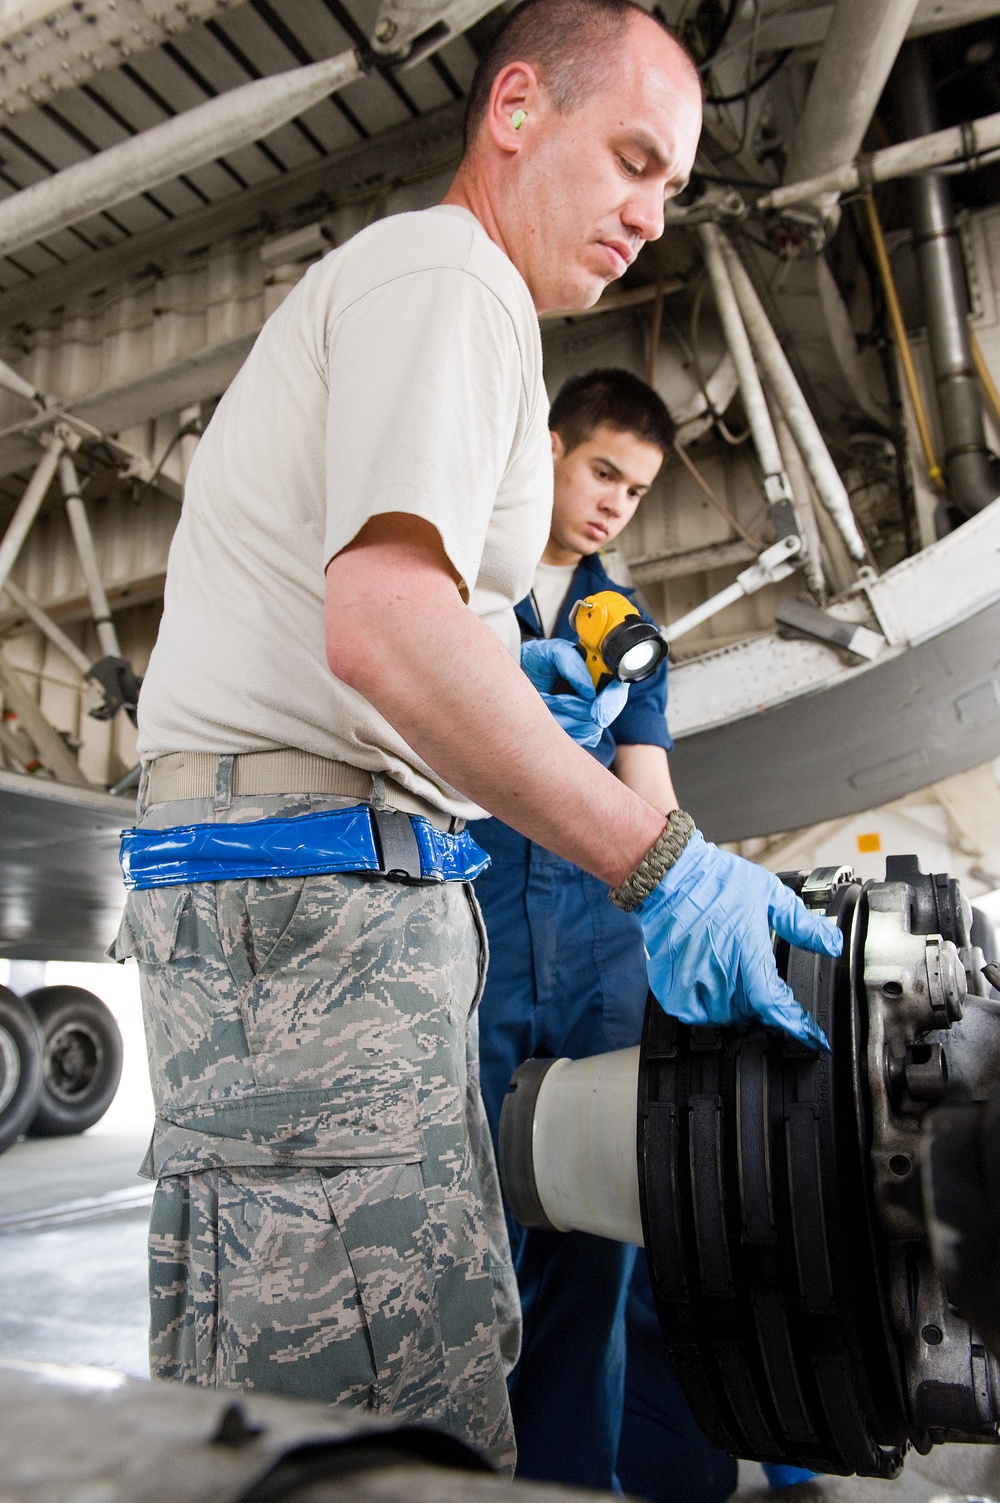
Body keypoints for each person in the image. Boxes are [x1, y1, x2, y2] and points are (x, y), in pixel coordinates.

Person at [115, 0, 839, 1473]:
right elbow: (382, 625)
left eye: (673, 188)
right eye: (632, 159)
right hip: (310, 913)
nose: (649, 217)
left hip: (331, 911)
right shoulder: (451, 279)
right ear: (515, 109)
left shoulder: (470, 313)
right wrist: (663, 863)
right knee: (385, 1422)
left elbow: (406, 616)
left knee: (370, 1378)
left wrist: (505, 668)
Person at [470, 368, 735, 1500]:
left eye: (636, 490)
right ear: (549, 450)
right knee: (469, 1238)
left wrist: (714, 914)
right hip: (474, 950)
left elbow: (652, 797)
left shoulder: (627, 630)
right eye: (602, 472)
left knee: (592, 1235)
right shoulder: (461, 596)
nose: (615, 506)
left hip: (595, 961)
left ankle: (572, 1484)